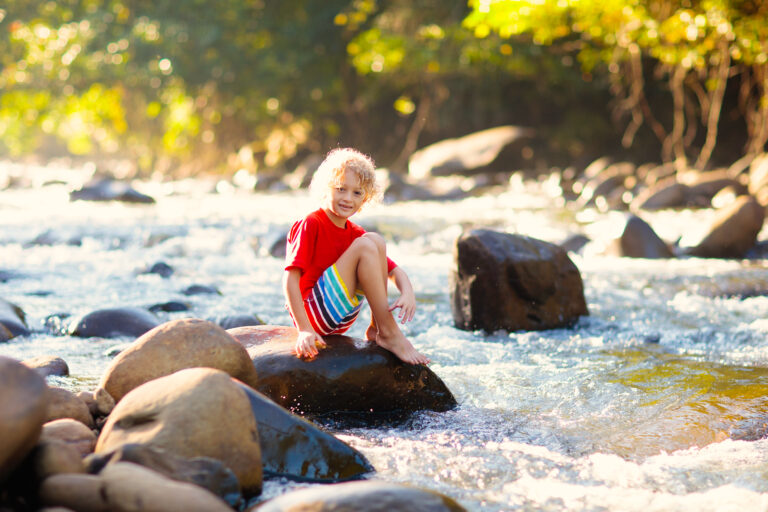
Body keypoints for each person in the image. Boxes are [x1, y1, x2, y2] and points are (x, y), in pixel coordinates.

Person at [283, 148, 430, 365]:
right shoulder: (311, 223)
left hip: (339, 317)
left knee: (375, 240)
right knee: (366, 245)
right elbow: (289, 279)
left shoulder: (355, 234)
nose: (347, 198)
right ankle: (389, 332)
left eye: (357, 193)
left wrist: (407, 292)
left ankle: (377, 328)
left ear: (366, 198)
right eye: (341, 189)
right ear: (326, 188)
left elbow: (394, 271)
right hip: (312, 314)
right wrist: (304, 330)